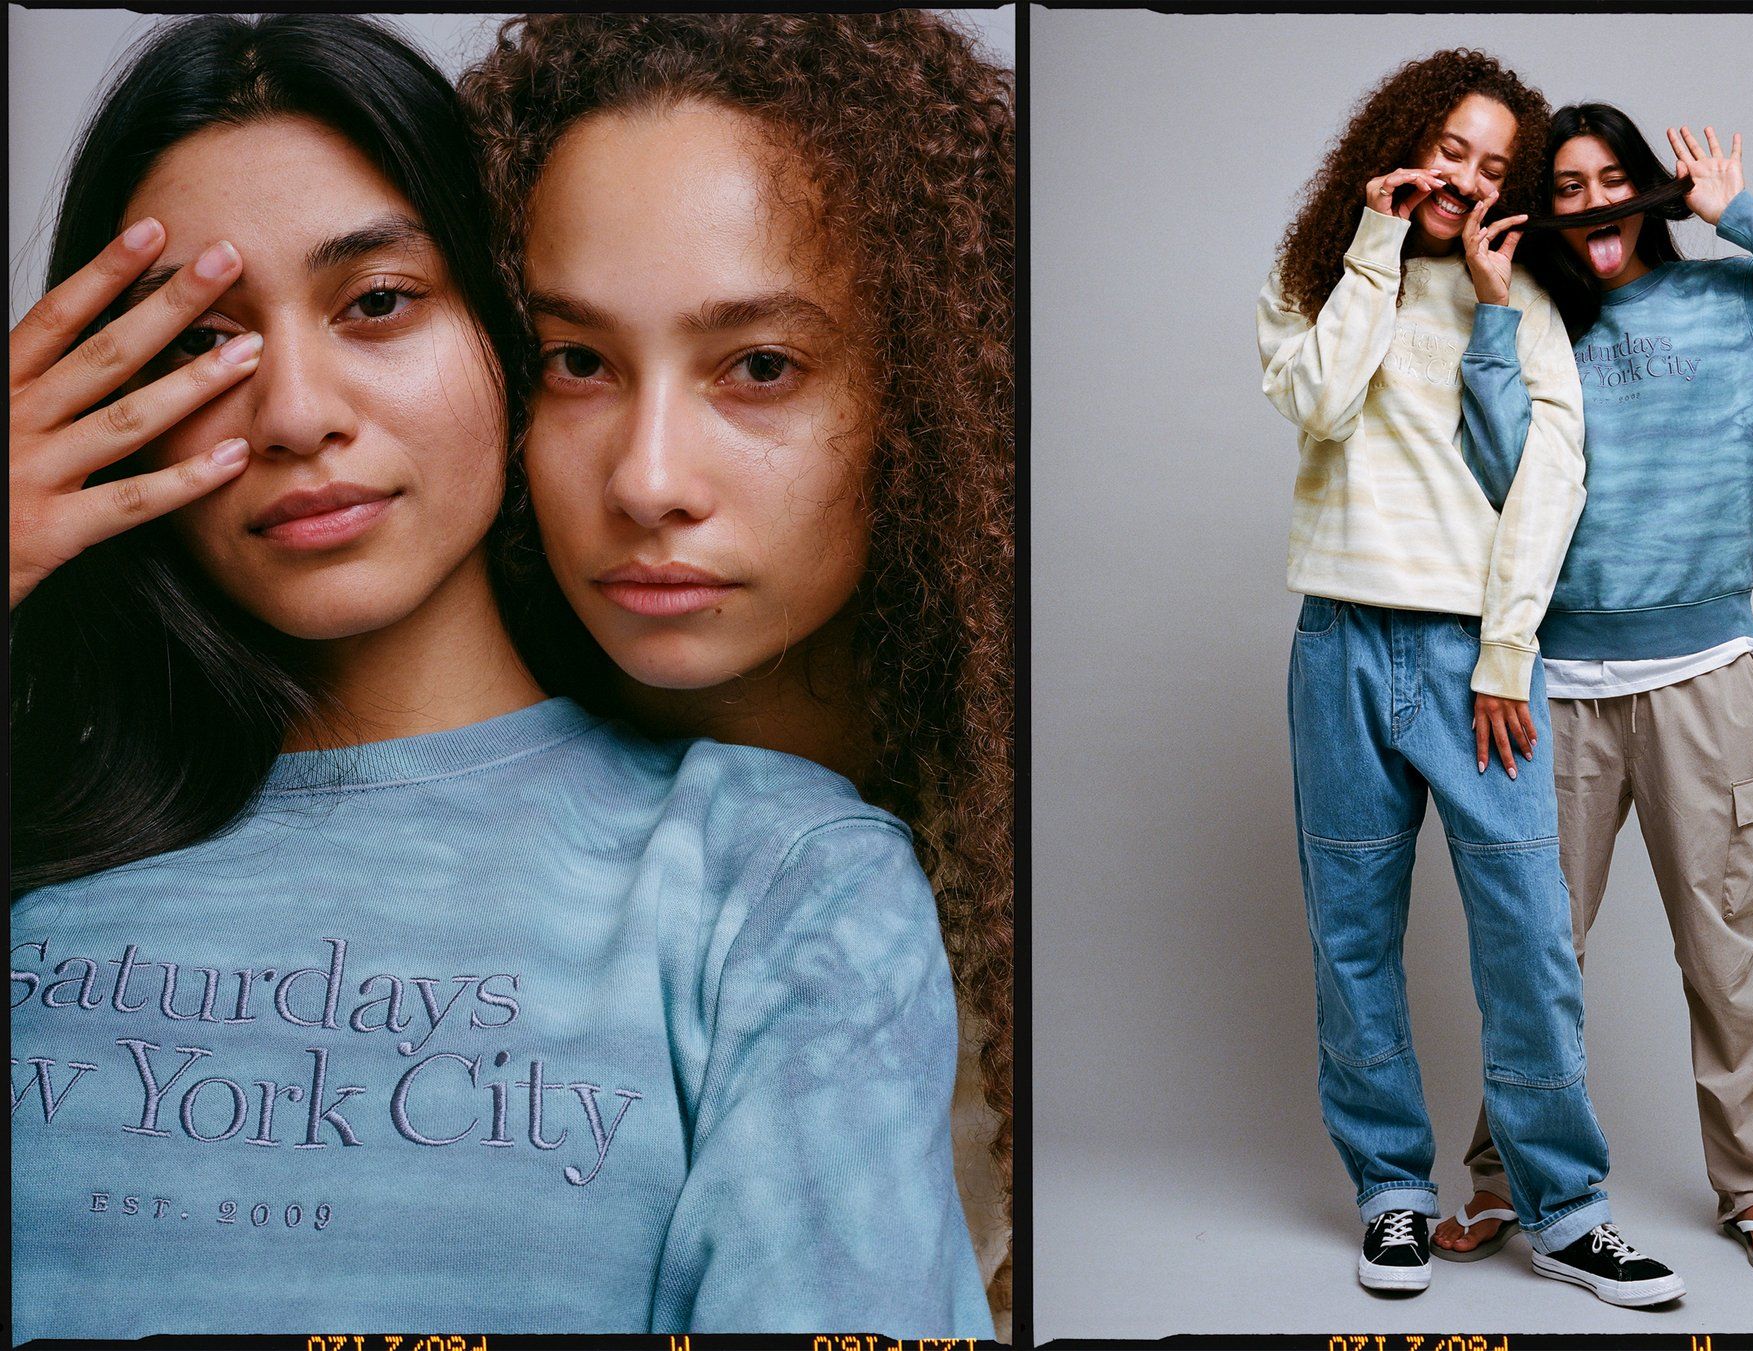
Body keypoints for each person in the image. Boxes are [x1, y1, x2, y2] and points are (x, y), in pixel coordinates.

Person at [8, 14, 989, 1340]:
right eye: (198, 343)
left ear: (493, 325)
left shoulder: (781, 877)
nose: (294, 411)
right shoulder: (39, 819)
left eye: (377, 302)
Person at [458, 13, 1016, 1327]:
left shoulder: (1017, 861)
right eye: (575, 360)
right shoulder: (434, 804)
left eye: (758, 367)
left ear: (931, 386)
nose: (649, 479)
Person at [1434, 104, 1753, 1279]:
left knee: (1724, 952)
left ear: (1644, 189)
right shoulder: (1536, 324)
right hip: (1554, 686)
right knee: (1537, 951)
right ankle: (1501, 1179)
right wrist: (1493, 313)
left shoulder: (1739, 313)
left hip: (1703, 682)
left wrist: (1736, 217)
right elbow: (1494, 472)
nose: (1591, 202)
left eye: (1610, 180)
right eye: (1566, 185)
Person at [1257, 49, 1681, 1307]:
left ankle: (1566, 1210)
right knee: (1350, 941)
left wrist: (1505, 652)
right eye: (1452, 149)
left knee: (1526, 937)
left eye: (1498, 165)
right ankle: (1392, 1193)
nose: (1468, 176)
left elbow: (1550, 482)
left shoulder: (1528, 298)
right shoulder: (1313, 280)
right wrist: (1374, 251)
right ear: (1402, 140)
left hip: (1472, 657)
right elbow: (1322, 404)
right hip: (1335, 642)